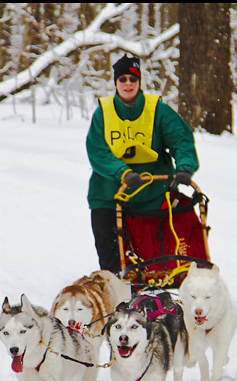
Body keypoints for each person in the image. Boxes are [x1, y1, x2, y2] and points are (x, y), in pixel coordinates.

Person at [86, 54, 199, 274]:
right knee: (107, 239)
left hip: (152, 189)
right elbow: (97, 150)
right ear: (116, 82)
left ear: (139, 82)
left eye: (133, 79)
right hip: (110, 190)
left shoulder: (157, 110)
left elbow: (180, 139)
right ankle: (115, 283)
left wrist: (185, 167)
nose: (128, 83)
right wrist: (122, 171)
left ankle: (161, 279)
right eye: (123, 79)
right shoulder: (103, 112)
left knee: (158, 247)